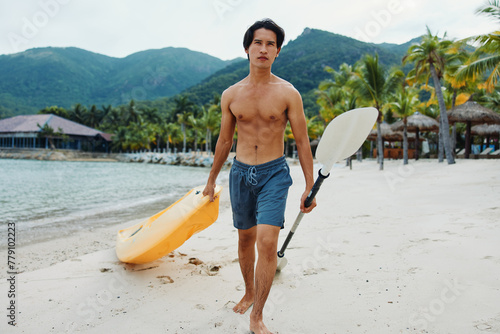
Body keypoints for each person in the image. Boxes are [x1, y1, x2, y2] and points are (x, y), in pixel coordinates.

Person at [202, 18, 316, 334]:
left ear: (277, 51)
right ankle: (249, 291)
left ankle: (257, 317)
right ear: (247, 49)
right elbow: (225, 141)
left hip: (274, 173)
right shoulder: (231, 94)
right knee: (245, 239)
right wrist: (212, 180)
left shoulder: (289, 93)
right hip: (239, 174)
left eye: (270, 44)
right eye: (258, 42)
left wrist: (309, 185)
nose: (263, 49)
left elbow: (303, 140)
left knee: (267, 243)